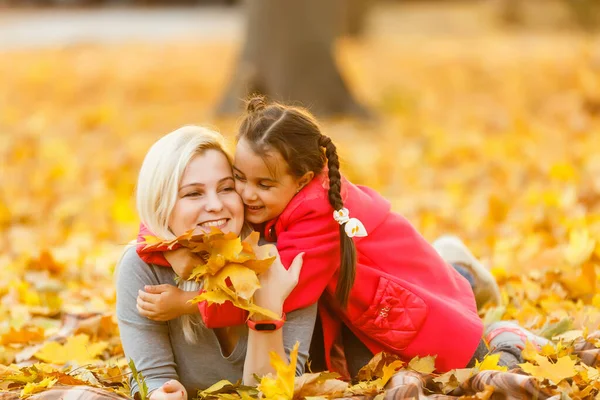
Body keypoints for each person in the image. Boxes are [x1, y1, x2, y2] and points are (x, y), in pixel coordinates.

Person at [135, 97, 538, 379]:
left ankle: (507, 335)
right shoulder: (269, 201)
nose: (244, 194)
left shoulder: (318, 218)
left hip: (400, 306)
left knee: (476, 365)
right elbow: (160, 213)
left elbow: (273, 291)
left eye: (262, 183)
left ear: (302, 181)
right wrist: (165, 247)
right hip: (370, 292)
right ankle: (458, 269)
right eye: (239, 179)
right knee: (436, 289)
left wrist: (189, 302)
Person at [115, 126, 316, 400]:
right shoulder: (141, 267)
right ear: (161, 205)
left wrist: (265, 308)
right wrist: (160, 394)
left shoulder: (283, 260)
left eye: (226, 188)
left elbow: (275, 393)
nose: (215, 205)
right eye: (193, 194)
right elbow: (151, 379)